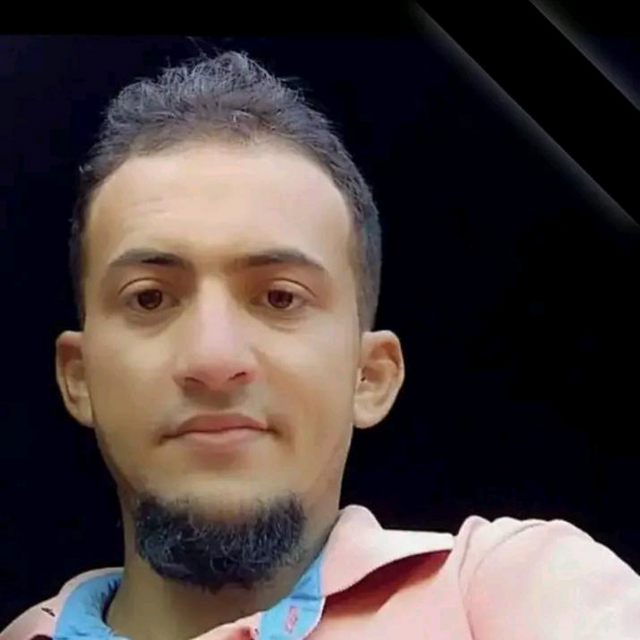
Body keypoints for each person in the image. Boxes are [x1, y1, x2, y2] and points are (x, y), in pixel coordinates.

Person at [3, 50, 639, 640]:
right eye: (149, 299)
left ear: (370, 376)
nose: (213, 360)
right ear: (78, 376)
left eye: (280, 297)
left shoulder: (519, 589)